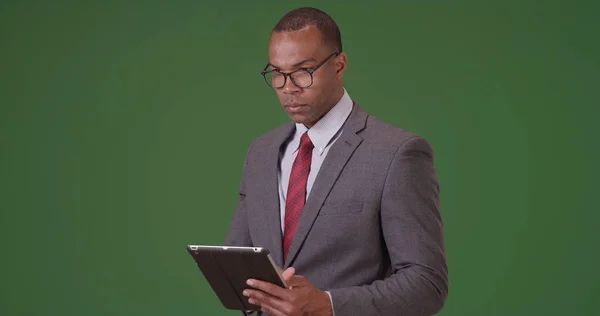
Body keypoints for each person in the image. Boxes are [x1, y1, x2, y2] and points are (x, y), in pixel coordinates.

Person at [224, 7, 448, 316]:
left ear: (339, 65)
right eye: (277, 72)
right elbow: (239, 266)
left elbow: (427, 284)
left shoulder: (397, 153)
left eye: (303, 70)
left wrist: (326, 304)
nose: (288, 87)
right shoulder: (261, 152)